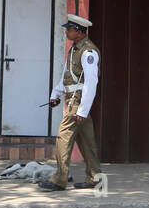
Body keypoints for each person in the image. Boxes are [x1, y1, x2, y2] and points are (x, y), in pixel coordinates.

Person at [40, 13, 103, 192]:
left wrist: (82, 111)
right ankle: (95, 178)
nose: (66, 31)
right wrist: (56, 93)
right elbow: (67, 76)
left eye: (70, 29)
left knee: (62, 139)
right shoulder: (75, 49)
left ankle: (60, 179)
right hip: (74, 101)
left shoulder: (88, 52)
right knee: (87, 142)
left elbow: (91, 83)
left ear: (80, 32)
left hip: (77, 103)